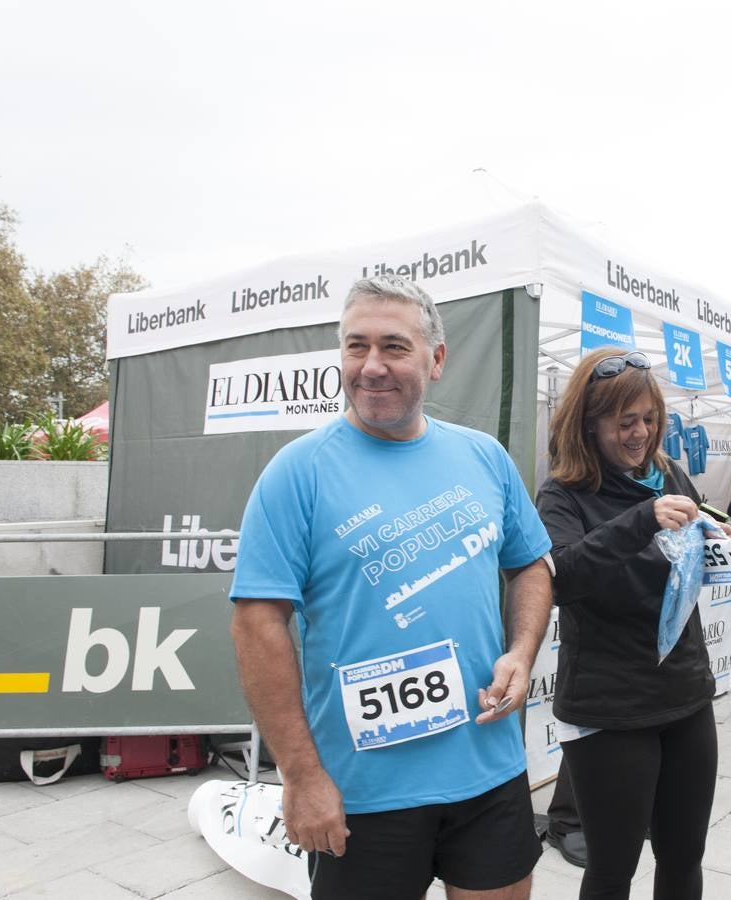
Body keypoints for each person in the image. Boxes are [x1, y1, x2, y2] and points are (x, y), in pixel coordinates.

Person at [229, 275, 554, 900]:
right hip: (360, 791)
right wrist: (301, 775)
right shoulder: (296, 473)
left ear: (436, 360)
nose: (371, 366)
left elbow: (532, 565)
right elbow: (257, 623)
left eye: (394, 347)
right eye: (356, 347)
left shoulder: (483, 457)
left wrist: (521, 650)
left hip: (488, 772)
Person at [535, 347, 723, 899]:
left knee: (685, 855)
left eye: (649, 420)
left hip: (685, 692)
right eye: (624, 423)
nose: (640, 434)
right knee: (613, 866)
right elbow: (562, 578)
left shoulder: (667, 473)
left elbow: (693, 534)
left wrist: (715, 536)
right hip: (611, 708)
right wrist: (641, 520)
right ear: (589, 424)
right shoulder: (563, 492)